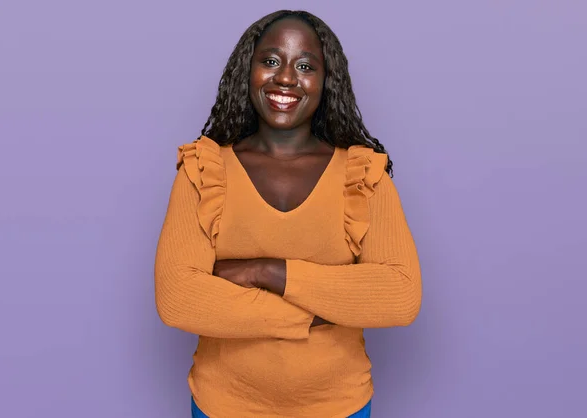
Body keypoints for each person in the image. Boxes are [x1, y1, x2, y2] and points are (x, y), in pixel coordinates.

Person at [154, 9, 422, 418]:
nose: (285, 78)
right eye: (271, 61)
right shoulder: (203, 170)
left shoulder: (362, 175)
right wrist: (322, 312)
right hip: (223, 405)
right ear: (249, 70)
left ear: (325, 81)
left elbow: (400, 295)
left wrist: (264, 271)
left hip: (340, 406)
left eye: (305, 66)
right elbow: (177, 299)